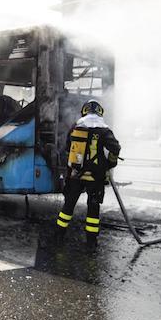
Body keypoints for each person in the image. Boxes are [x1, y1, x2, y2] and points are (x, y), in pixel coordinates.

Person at [53, 99, 121, 248]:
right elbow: (115, 148)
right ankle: (91, 242)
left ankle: (59, 237)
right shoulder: (104, 129)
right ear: (100, 112)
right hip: (96, 176)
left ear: (84, 111)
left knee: (68, 207)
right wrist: (110, 163)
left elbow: (67, 149)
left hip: (76, 174)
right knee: (93, 208)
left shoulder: (76, 127)